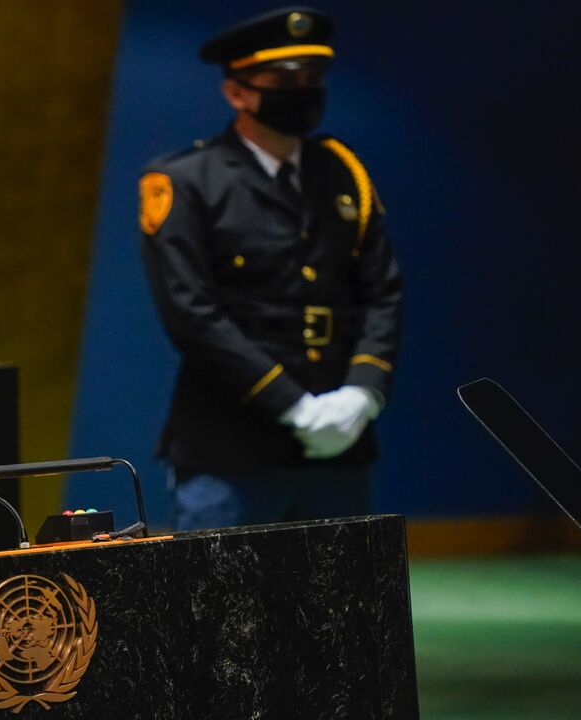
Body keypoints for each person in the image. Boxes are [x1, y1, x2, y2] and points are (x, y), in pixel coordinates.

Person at [138, 7, 403, 530]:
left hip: (339, 443)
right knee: (217, 607)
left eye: (312, 79)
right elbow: (193, 315)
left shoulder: (343, 172)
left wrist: (362, 392)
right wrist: (293, 407)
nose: (303, 91)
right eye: (284, 80)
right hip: (232, 445)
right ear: (237, 92)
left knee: (345, 606)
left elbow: (382, 292)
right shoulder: (186, 181)